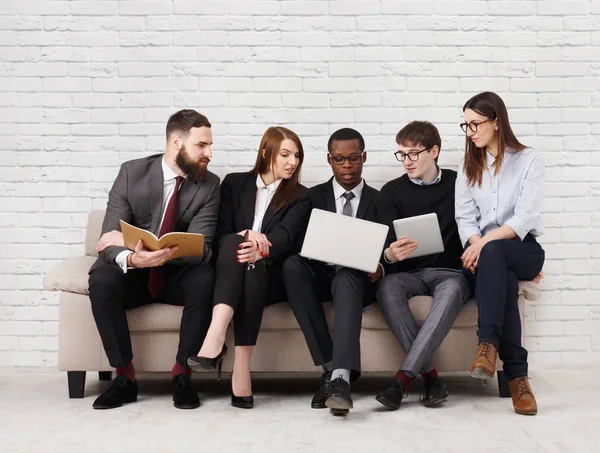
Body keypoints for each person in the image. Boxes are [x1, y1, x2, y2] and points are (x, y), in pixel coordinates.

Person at [89, 109, 220, 410]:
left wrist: (143, 249)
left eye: (210, 145)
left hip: (174, 276)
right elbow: (107, 241)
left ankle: (182, 375)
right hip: (133, 276)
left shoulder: (209, 186)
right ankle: (124, 378)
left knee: (204, 276)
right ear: (176, 142)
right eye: (202, 145)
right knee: (102, 278)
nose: (209, 153)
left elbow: (201, 247)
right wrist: (135, 259)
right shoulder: (131, 173)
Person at [187, 126, 309, 409]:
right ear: (266, 153)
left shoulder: (302, 196)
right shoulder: (233, 183)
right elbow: (219, 235)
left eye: (297, 156)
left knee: (254, 264)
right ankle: (238, 365)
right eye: (286, 155)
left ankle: (215, 344)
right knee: (235, 244)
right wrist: (245, 236)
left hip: (271, 274)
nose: (293, 162)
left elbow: (286, 238)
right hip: (232, 267)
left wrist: (259, 248)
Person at [282, 128, 382, 416]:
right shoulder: (311, 197)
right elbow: (296, 241)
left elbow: (388, 246)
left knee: (349, 274)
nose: (347, 166)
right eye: (339, 159)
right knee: (292, 265)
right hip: (322, 274)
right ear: (329, 159)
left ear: (364, 157)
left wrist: (379, 266)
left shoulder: (379, 200)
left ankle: (339, 379)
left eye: (353, 158)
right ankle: (330, 365)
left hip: (357, 282)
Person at [456, 92, 545, 416]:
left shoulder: (528, 160)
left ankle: (488, 343)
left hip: (523, 248)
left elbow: (524, 218)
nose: (471, 131)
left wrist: (482, 244)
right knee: (502, 276)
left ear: (497, 121)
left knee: (495, 252)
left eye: (476, 123)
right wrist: (477, 243)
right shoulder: (469, 166)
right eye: (465, 125)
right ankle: (518, 379)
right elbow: (464, 219)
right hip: (485, 255)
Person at [375, 121, 471, 411]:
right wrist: (390, 254)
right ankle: (430, 378)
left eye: (414, 154)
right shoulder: (390, 191)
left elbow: (483, 222)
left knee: (453, 290)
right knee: (387, 286)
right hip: (407, 275)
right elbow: (382, 247)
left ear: (435, 151)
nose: (407, 161)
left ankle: (402, 381)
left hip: (451, 273)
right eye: (402, 154)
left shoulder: (461, 184)